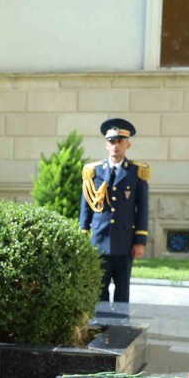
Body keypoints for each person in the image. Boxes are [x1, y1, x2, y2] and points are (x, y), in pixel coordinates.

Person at [79, 118, 150, 304]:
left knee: (122, 289)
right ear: (106, 145)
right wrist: (83, 235)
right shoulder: (93, 171)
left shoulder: (136, 172)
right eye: (112, 141)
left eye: (120, 141)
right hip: (99, 241)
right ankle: (99, 326)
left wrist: (140, 241)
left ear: (128, 144)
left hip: (124, 241)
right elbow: (86, 206)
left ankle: (121, 329)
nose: (115, 146)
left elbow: (142, 209)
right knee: (98, 290)